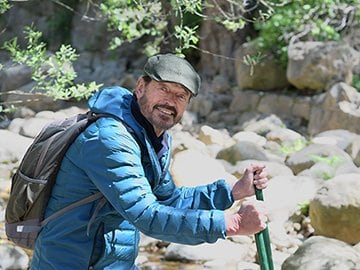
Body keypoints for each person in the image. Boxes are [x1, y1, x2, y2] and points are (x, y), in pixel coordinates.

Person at [30, 53, 268, 269]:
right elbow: (147, 216)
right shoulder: (110, 138)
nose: (170, 101)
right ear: (141, 87)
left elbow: (169, 200)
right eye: (163, 89)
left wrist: (233, 192)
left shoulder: (153, 138)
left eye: (181, 95)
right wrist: (232, 223)